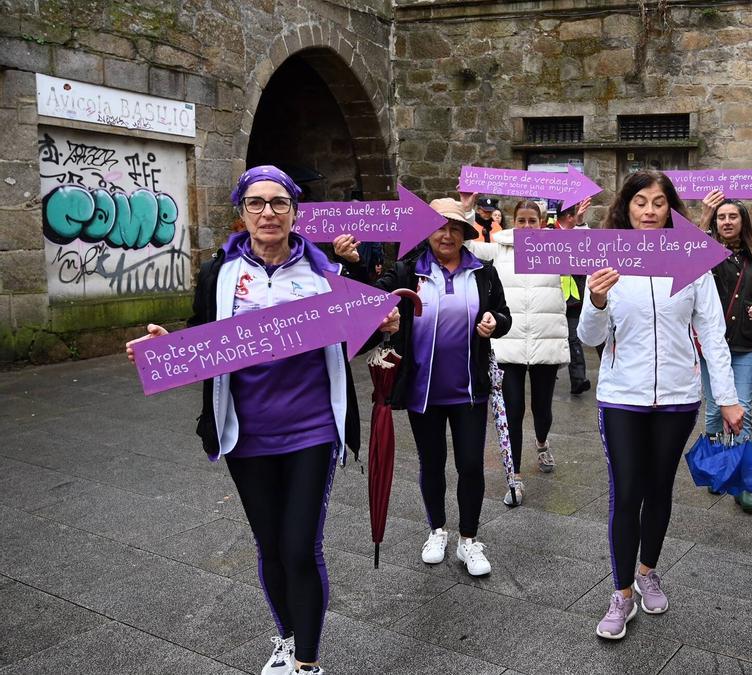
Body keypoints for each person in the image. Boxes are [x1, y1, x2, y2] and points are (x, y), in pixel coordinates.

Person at [124, 165, 395, 675]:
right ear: (241, 211)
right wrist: (167, 347)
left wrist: (383, 324)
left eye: (278, 203)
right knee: (270, 545)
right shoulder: (218, 273)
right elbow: (201, 337)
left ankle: (308, 664)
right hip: (245, 432)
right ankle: (288, 639)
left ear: (295, 212)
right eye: (256, 203)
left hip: (312, 429)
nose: (267, 212)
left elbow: (365, 336)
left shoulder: (325, 274)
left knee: (300, 545)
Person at [578, 171, 743, 640]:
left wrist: (727, 398)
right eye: (640, 202)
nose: (649, 210)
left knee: (660, 489)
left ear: (671, 209)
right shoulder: (606, 258)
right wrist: (596, 299)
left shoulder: (691, 261)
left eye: (658, 202)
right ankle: (622, 593)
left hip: (677, 397)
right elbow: (588, 338)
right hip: (622, 397)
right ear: (625, 208)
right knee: (627, 492)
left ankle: (648, 570)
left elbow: (712, 331)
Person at [375, 197, 512, 577]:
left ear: (465, 234)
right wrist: (353, 265)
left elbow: (504, 314)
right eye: (439, 227)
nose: (447, 234)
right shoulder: (407, 271)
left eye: (455, 228)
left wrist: (494, 322)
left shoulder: (482, 271)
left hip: (469, 389)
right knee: (431, 462)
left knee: (470, 464)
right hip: (423, 389)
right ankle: (437, 530)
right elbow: (374, 299)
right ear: (427, 232)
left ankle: (469, 539)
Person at [466, 198, 570, 505]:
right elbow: (468, 246)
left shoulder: (556, 248)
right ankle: (515, 477)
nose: (526, 227)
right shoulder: (498, 248)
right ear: (513, 221)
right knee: (512, 410)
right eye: (521, 221)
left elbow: (586, 254)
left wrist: (575, 223)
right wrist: (466, 209)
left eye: (532, 221)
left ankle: (541, 441)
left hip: (545, 342)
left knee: (542, 410)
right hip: (507, 342)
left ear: (542, 222)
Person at [696, 190, 752, 513]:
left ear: (743, 222)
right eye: (721, 217)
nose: (727, 221)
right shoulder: (708, 254)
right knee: (715, 411)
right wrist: (703, 217)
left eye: (733, 216)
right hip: (712, 350)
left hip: (745, 346)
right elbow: (687, 258)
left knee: (742, 410)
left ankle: (743, 481)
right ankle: (717, 467)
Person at [556, 196, 593, 395]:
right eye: (575, 216)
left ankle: (578, 379)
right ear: (568, 217)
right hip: (553, 298)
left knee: (573, 338)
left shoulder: (577, 231)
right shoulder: (549, 232)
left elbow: (584, 243)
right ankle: (547, 371)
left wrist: (580, 223)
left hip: (573, 299)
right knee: (554, 339)